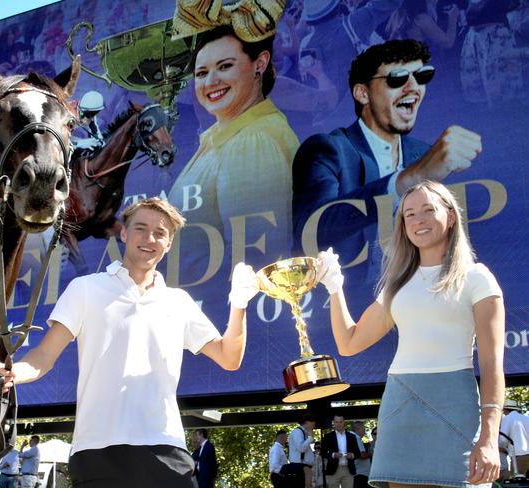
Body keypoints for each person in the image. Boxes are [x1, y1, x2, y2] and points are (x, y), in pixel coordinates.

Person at [0, 197, 259, 488]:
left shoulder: (179, 302)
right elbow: (43, 356)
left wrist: (239, 304)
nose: (150, 238)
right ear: (124, 234)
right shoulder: (85, 289)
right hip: (97, 449)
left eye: (160, 233)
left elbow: (229, 358)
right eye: (141, 228)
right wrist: (14, 372)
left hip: (167, 448)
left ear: (169, 244)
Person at [317, 179, 505, 487]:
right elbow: (349, 342)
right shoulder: (397, 285)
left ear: (451, 216)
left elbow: (492, 365)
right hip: (400, 403)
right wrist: (334, 286)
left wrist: (488, 436)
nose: (418, 220)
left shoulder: (477, 278)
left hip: (454, 403)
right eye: (410, 214)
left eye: (428, 210)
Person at [292, 39, 482, 283]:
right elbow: (311, 235)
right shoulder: (327, 149)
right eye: (397, 78)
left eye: (422, 76)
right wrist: (408, 180)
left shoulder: (423, 154)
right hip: (348, 309)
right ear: (362, 93)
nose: (413, 87)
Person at [168, 18, 299, 289]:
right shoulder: (224, 136)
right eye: (201, 73)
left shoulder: (252, 142)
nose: (211, 81)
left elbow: (255, 262)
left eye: (225, 66)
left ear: (259, 64)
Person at [321, 415, 361, 488]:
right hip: (333, 469)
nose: (339, 424)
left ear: (344, 422)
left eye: (340, 422)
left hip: (348, 469)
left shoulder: (352, 436)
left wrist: (352, 455)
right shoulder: (328, 436)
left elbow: (358, 453)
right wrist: (333, 455)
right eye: (336, 422)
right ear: (334, 423)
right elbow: (322, 452)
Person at [500, 400, 529, 477]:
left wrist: (503, 449)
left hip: (519, 455)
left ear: (505, 409)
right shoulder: (526, 418)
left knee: (517, 481)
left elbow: (503, 438)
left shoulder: (507, 418)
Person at [289, 414, 315, 488]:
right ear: (307, 422)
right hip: (300, 467)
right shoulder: (297, 432)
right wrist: (310, 438)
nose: (314, 424)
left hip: (304, 467)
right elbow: (301, 448)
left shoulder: (304, 433)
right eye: (313, 421)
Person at [349, 421, 371, 488]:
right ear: (358, 429)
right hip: (360, 475)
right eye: (364, 429)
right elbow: (361, 455)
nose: (365, 432)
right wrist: (372, 453)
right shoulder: (356, 438)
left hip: (356, 474)